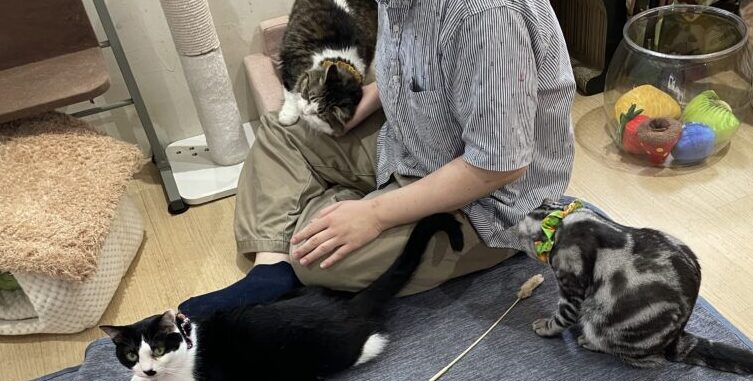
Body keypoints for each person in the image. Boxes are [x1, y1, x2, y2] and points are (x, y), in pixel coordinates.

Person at [180, 0, 576, 318]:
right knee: (282, 128)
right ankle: (271, 268)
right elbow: (413, 68)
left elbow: (499, 165)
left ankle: (323, 214)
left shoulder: (488, 17)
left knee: (317, 261)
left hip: (487, 203)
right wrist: (364, 101)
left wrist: (374, 215)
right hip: (410, 142)